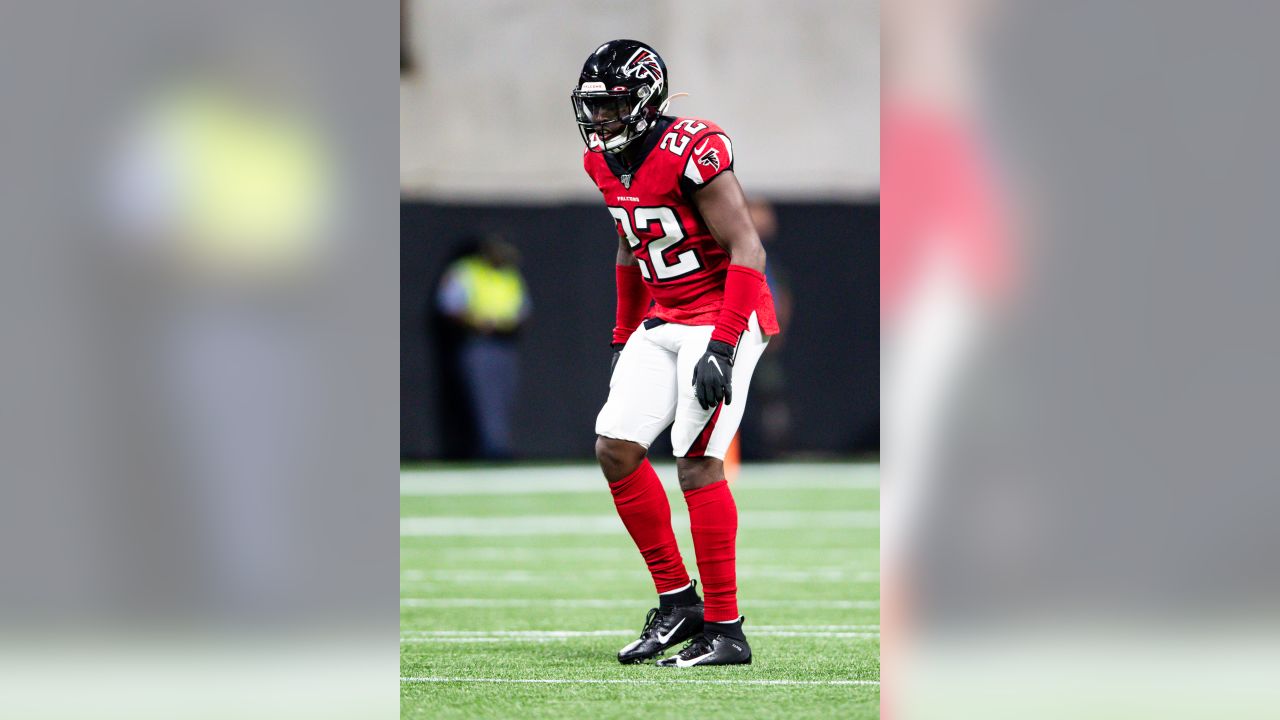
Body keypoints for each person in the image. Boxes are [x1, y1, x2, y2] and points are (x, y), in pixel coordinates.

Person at [572, 39, 780, 667]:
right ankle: (678, 601)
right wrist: (620, 335)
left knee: (696, 463)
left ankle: (726, 628)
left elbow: (748, 249)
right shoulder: (602, 164)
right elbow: (629, 250)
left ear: (644, 100)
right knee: (615, 447)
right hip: (663, 317)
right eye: (595, 107)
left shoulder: (692, 148)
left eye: (612, 106)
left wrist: (723, 344)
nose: (600, 119)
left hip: (723, 315)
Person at [436, 235, 530, 459]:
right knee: (483, 397)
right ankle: (491, 450)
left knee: (504, 396)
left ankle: (500, 446)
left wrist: (508, 323)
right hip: (477, 342)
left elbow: (524, 309)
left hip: (506, 342)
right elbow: (449, 306)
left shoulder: (509, 274)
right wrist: (476, 322)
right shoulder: (466, 271)